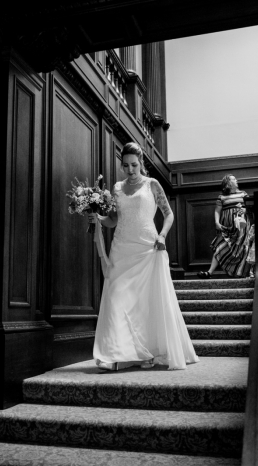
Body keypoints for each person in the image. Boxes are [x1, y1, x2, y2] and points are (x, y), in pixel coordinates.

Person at [88, 142, 199, 371]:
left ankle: (146, 352)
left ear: (141, 164)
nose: (130, 169)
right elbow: (113, 220)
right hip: (121, 249)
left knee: (144, 304)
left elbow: (168, 215)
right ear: (121, 165)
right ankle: (112, 355)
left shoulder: (153, 184)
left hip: (148, 248)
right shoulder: (117, 188)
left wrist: (162, 236)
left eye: (134, 165)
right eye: (126, 165)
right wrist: (98, 219)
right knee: (116, 297)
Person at [198, 174, 253, 279]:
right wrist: (217, 223)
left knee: (243, 248)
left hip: (241, 227)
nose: (237, 180)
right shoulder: (221, 197)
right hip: (226, 227)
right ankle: (209, 273)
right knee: (220, 247)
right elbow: (217, 211)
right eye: (234, 179)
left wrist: (246, 209)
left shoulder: (243, 194)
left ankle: (243, 273)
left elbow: (251, 206)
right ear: (228, 183)